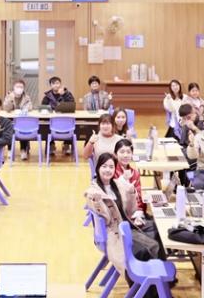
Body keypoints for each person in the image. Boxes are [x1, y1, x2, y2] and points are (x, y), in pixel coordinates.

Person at [85, 153, 165, 298]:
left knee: (157, 229)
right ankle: (149, 289)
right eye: (104, 166)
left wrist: (130, 191)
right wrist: (98, 203)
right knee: (148, 247)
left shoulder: (118, 184)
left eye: (111, 167)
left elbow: (131, 210)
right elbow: (107, 219)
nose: (108, 170)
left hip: (127, 223)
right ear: (98, 168)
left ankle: (162, 282)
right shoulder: (93, 192)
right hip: (115, 233)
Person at [42, 77, 75, 155]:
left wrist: (64, 94)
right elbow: (43, 107)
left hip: (65, 119)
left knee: (69, 124)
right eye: (53, 83)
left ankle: (66, 144)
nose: (56, 85)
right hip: (52, 120)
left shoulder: (67, 93)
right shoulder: (47, 96)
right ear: (51, 85)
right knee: (46, 126)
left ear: (60, 84)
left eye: (57, 83)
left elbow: (72, 104)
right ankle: (51, 145)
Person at [3, 80, 33, 160]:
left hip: (22, 120)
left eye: (21, 87)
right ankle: (10, 149)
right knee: (9, 129)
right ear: (14, 87)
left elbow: (30, 106)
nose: (19, 88)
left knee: (24, 128)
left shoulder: (26, 97)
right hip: (11, 120)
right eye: (17, 87)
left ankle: (23, 150)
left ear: (23, 88)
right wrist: (10, 99)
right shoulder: (9, 96)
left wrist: (25, 109)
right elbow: (6, 108)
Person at [113, 139, 146, 212]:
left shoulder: (135, 173)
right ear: (115, 154)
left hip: (134, 210)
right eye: (122, 152)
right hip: (118, 211)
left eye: (128, 152)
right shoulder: (112, 172)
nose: (125, 155)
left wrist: (139, 211)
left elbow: (139, 197)